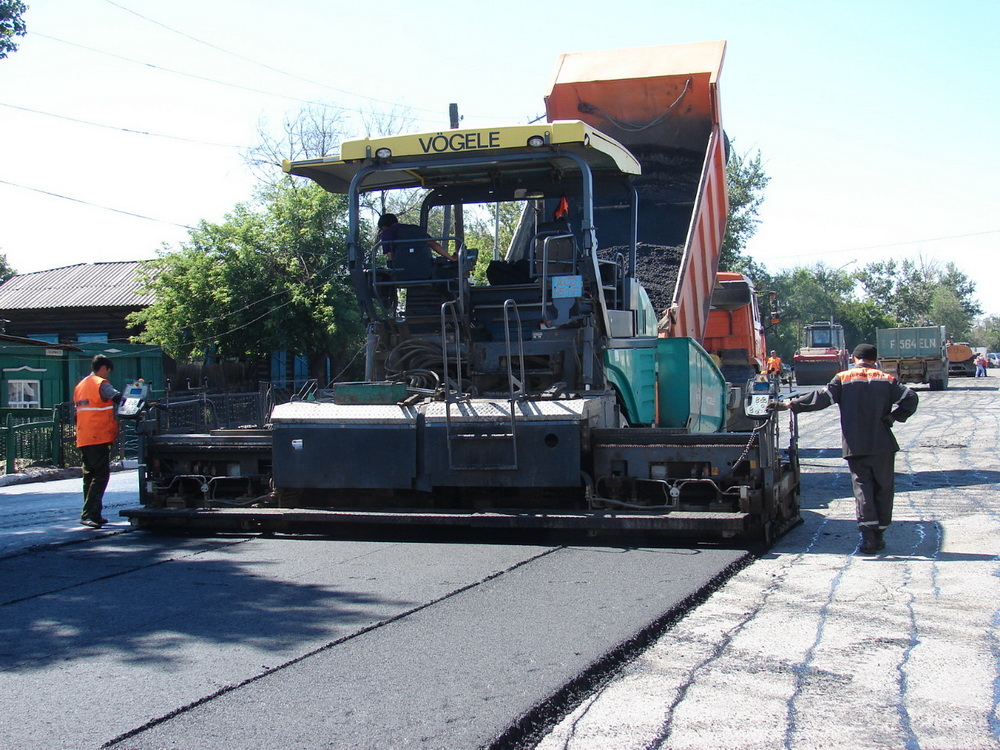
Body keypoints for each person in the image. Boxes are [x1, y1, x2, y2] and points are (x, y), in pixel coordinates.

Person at [770, 343, 918, 554]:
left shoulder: (843, 378)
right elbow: (911, 398)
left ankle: (867, 538)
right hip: (882, 444)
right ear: (874, 360)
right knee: (883, 488)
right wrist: (894, 416)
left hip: (855, 444)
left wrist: (791, 405)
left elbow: (821, 398)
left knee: (863, 488)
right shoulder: (886, 379)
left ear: (855, 358)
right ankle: (879, 535)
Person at [73, 354, 121, 528]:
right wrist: (138, 403)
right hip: (98, 436)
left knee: (90, 476)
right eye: (108, 371)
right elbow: (118, 398)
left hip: (84, 436)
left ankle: (95, 513)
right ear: (103, 368)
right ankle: (88, 514)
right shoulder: (100, 384)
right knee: (101, 476)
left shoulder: (80, 386)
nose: (108, 375)